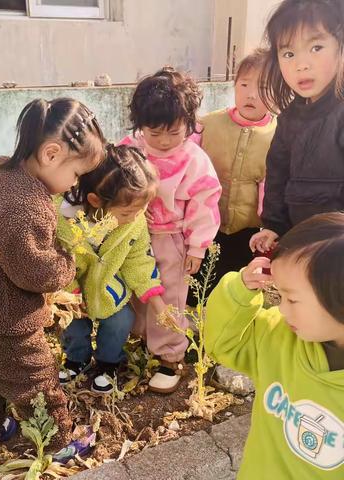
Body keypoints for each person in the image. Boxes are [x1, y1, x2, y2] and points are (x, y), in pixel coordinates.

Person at [0, 98, 106, 459]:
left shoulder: (3, 171)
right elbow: (36, 272)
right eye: (76, 173)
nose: (72, 184)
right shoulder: (21, 209)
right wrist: (66, 262)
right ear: (51, 154)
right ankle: (60, 442)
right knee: (37, 379)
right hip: (2, 320)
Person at [205, 211, 344, 479]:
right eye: (278, 295)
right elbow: (223, 344)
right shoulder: (279, 336)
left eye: (292, 299)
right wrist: (240, 290)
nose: (280, 309)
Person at [120, 67, 221, 393]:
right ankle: (145, 338)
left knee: (169, 295)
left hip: (170, 238)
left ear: (189, 125)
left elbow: (204, 204)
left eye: (173, 133)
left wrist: (197, 248)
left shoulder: (194, 160)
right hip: (132, 234)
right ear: (140, 126)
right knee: (137, 291)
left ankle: (170, 357)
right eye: (154, 133)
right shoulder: (130, 150)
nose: (163, 141)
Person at [57, 144, 167, 394]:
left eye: (141, 209)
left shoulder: (133, 222)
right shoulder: (61, 219)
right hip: (70, 291)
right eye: (128, 212)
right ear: (95, 200)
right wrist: (70, 295)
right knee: (73, 326)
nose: (136, 217)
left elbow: (138, 259)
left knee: (121, 320)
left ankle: (108, 363)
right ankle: (77, 360)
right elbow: (54, 260)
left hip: (108, 289)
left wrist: (156, 301)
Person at [250, 0, 344, 254]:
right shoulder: (290, 117)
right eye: (288, 53)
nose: (301, 64)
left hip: (335, 249)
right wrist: (273, 225)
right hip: (300, 243)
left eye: (316, 47)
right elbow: (277, 174)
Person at [196, 49, 276, 291]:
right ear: (234, 85)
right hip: (205, 226)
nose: (251, 94)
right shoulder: (206, 125)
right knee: (199, 286)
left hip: (248, 232)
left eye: (263, 87)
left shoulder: (280, 135)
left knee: (236, 287)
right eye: (244, 84)